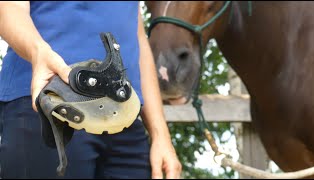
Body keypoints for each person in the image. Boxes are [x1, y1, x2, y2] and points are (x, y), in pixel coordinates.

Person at [0, 1, 181, 179]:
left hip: (125, 116)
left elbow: (138, 37)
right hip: (52, 102)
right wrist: (37, 51)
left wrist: (161, 136)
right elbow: (9, 6)